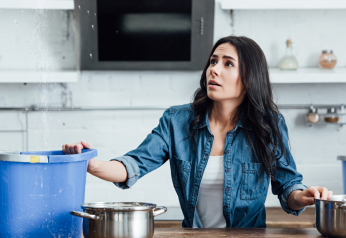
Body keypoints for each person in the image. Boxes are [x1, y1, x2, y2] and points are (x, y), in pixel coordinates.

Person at [62, 36, 333, 228]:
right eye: (213, 61)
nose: (213, 69)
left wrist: (305, 197)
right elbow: (133, 164)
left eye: (228, 63)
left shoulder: (269, 124)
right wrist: (91, 164)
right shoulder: (177, 120)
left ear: (250, 79)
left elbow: (288, 187)